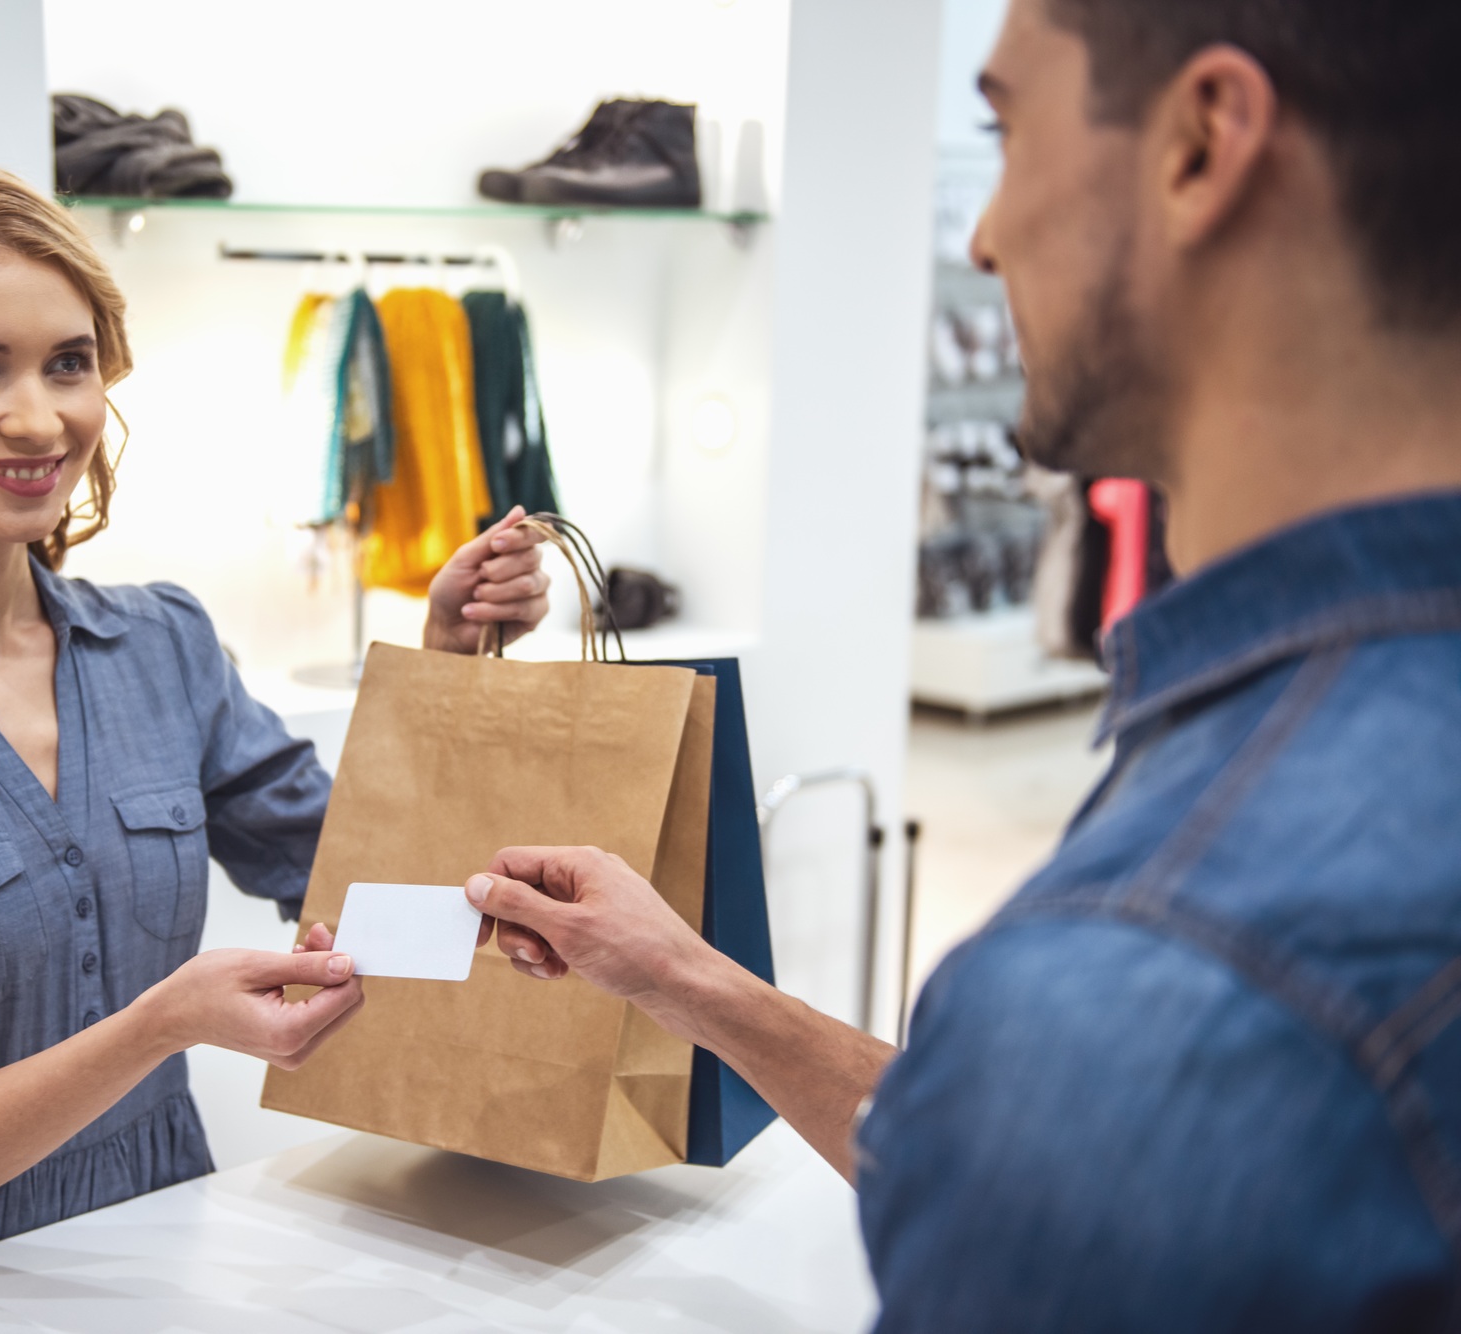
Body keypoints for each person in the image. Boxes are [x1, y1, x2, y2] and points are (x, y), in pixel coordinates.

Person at [465, 0, 1461, 1328]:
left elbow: (1098, 1115)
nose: (983, 233)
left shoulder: (1163, 972)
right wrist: (683, 975)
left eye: (1005, 128)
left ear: (1202, 146)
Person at [0, 164, 552, 1324]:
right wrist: (164, 1019)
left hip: (155, 1240)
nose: (40, 418)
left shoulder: (162, 644)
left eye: (69, 362)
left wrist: (444, 652)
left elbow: (354, 881)